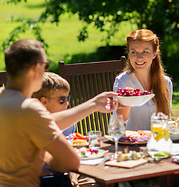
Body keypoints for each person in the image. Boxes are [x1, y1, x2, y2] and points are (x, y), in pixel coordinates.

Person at [0, 39, 118, 187]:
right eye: (46, 66)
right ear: (36, 68)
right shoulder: (30, 109)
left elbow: (45, 121)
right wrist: (48, 158)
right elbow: (71, 161)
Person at [113, 29, 173, 131]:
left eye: (145, 52)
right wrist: (126, 101)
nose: (139, 57)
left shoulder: (166, 82)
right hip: (131, 142)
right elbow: (118, 124)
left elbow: (167, 121)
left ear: (154, 54)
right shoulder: (122, 81)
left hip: (157, 141)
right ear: (128, 54)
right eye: (134, 52)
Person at [33, 72, 75, 136]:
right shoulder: (34, 125)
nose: (67, 103)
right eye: (62, 100)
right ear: (44, 102)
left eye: (67, 98)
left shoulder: (69, 124)